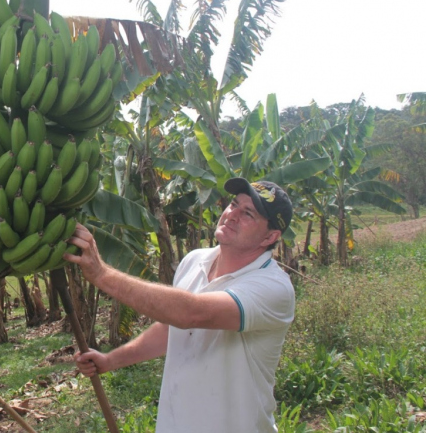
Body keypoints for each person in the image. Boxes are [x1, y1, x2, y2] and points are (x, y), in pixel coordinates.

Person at [64, 177, 296, 433]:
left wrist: (101, 274)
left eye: (248, 213)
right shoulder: (194, 261)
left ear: (271, 236)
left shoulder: (273, 287)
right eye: (233, 204)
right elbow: (170, 328)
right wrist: (110, 361)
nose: (231, 215)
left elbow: (192, 313)